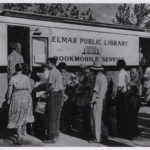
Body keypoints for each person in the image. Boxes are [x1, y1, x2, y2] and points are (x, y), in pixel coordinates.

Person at [7, 63, 34, 145]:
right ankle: (23, 131)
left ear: (15, 69)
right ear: (22, 69)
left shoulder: (13, 78)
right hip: (26, 97)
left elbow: (9, 92)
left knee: (17, 116)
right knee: (23, 115)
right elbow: (30, 90)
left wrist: (8, 99)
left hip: (16, 98)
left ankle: (19, 138)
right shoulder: (26, 78)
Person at [43, 57, 63, 143]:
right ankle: (56, 135)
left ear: (52, 63)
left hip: (54, 94)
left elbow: (52, 86)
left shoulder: (52, 72)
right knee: (57, 116)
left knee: (51, 115)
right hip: (59, 94)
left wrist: (45, 92)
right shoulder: (58, 71)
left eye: (48, 63)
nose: (47, 64)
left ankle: (51, 137)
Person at [89, 59, 107, 143]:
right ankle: (103, 134)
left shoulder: (97, 77)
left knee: (95, 119)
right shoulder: (104, 77)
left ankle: (97, 137)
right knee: (100, 118)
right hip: (102, 98)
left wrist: (92, 101)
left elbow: (95, 91)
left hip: (97, 100)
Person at [75, 65, 93, 139]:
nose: (86, 74)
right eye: (85, 72)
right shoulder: (86, 78)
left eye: (87, 72)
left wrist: (79, 89)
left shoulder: (90, 78)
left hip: (87, 100)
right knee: (85, 117)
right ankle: (85, 130)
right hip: (84, 100)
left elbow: (86, 86)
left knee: (87, 117)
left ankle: (87, 131)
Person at [116, 59, 130, 138]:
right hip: (126, 94)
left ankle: (121, 133)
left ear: (118, 66)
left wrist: (116, 95)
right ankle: (125, 132)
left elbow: (120, 86)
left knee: (120, 115)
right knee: (125, 114)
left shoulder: (120, 74)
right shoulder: (126, 73)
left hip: (121, 96)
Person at [127, 68, 142, 138]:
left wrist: (133, 89)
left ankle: (133, 133)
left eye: (133, 73)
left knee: (133, 117)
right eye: (131, 73)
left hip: (135, 102)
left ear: (136, 73)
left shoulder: (138, 82)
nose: (131, 74)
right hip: (130, 101)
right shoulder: (131, 81)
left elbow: (140, 93)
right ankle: (134, 131)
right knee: (131, 117)